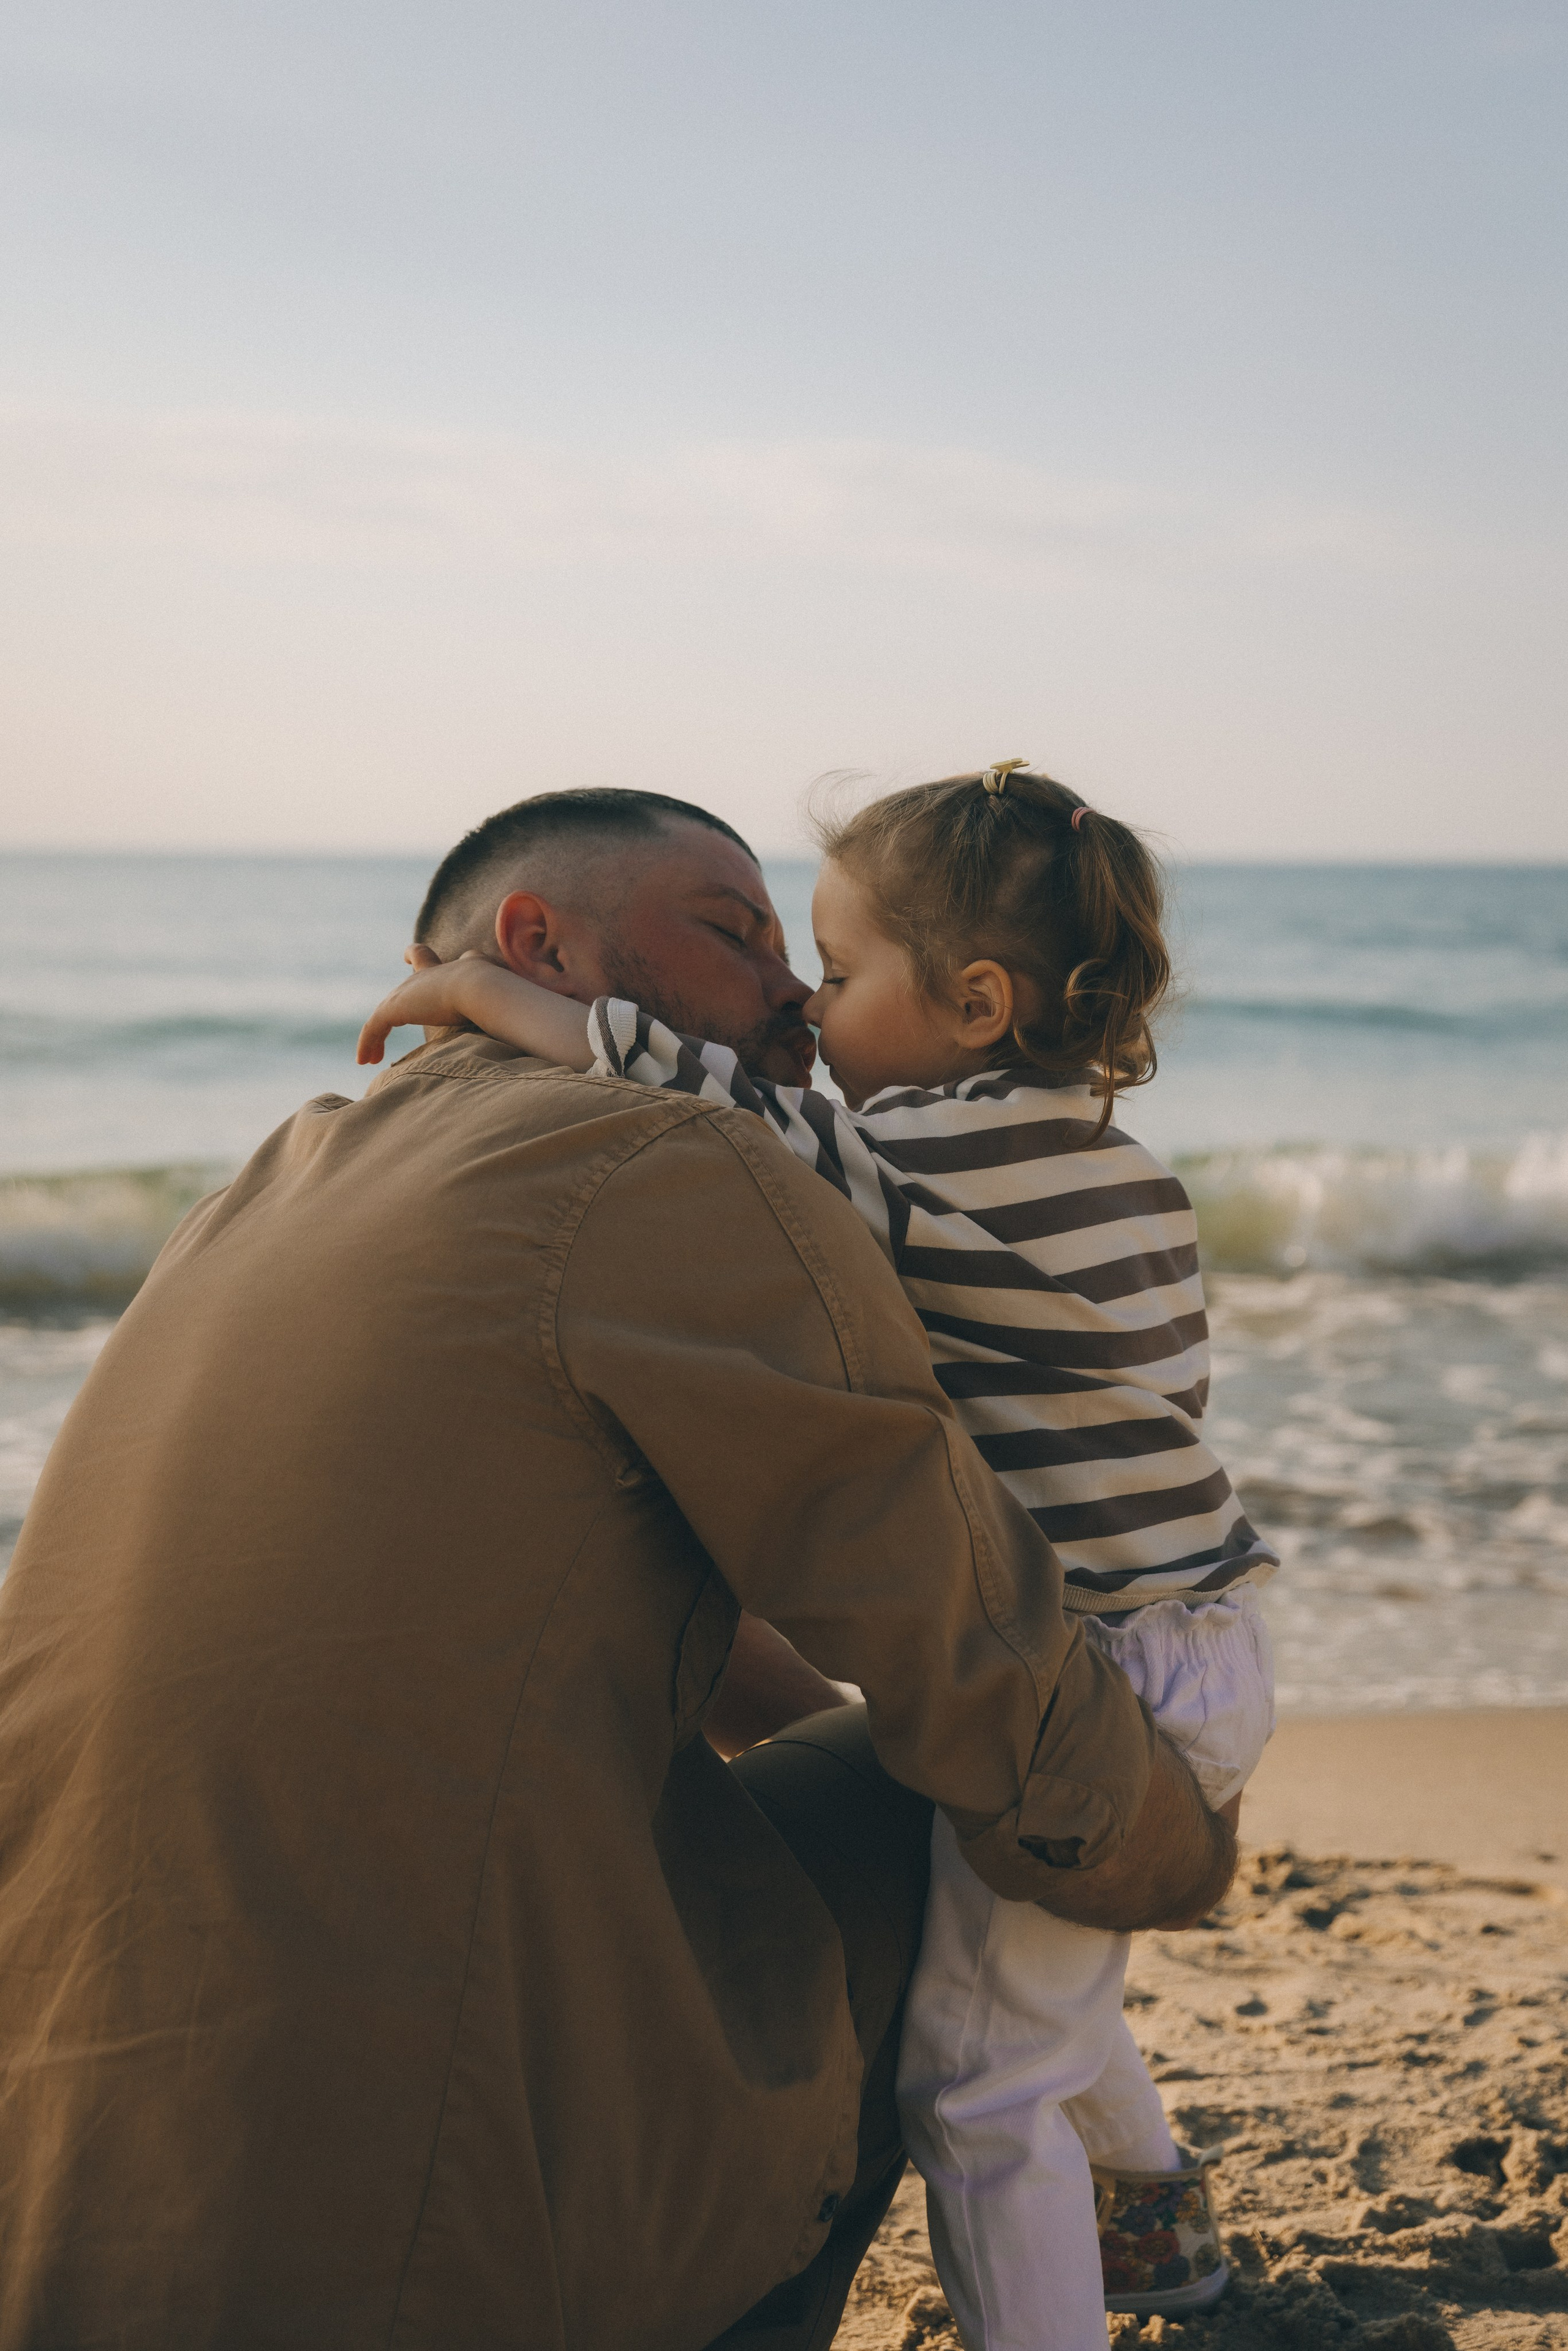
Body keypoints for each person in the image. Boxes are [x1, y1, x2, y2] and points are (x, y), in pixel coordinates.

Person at [0, 787, 1235, 2351]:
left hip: (71, 2197)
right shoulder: (664, 1154)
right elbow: (977, 1679)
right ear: (536, 943)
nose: (792, 990)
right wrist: (1177, 1843)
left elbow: (581, 1611)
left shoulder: (265, 1186)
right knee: (959, 1798)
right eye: (734, 932)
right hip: (418, 2233)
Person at [360, 768, 1279, 2349]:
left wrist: (477, 991)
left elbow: (723, 1116)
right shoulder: (1114, 1164)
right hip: (1200, 1615)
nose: (808, 1001)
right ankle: (1163, 2231)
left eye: (842, 975)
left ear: (974, 1001)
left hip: (1099, 1656)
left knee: (980, 2082)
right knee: (1041, 1981)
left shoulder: (938, 1157)